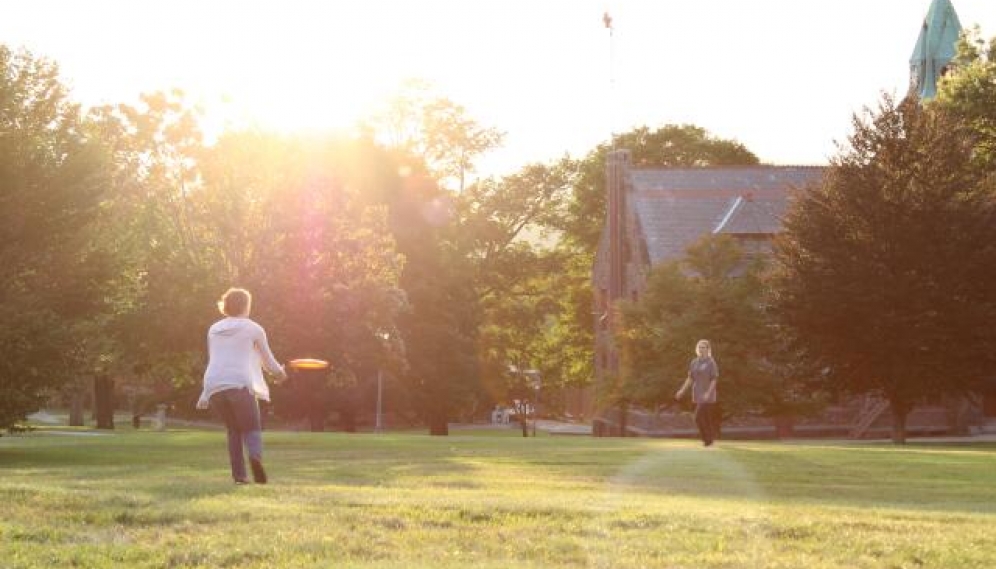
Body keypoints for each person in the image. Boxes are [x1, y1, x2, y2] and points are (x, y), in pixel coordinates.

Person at [197, 288, 287, 484]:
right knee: (252, 428)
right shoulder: (254, 328)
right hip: (238, 383)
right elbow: (268, 361)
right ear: (246, 305)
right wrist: (280, 374)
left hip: (214, 384)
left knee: (233, 430)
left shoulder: (213, 329)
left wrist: (204, 393)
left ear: (226, 305)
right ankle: (255, 458)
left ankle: (239, 476)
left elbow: (216, 359)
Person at [675, 339, 719, 446]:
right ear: (697, 349)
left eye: (703, 347)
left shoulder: (711, 362)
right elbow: (690, 379)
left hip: (708, 395)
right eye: (699, 347)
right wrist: (682, 390)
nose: (701, 349)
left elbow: (714, 379)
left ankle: (707, 440)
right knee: (706, 419)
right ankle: (710, 439)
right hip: (697, 394)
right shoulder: (694, 362)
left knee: (698, 417)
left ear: (708, 349)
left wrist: (708, 392)